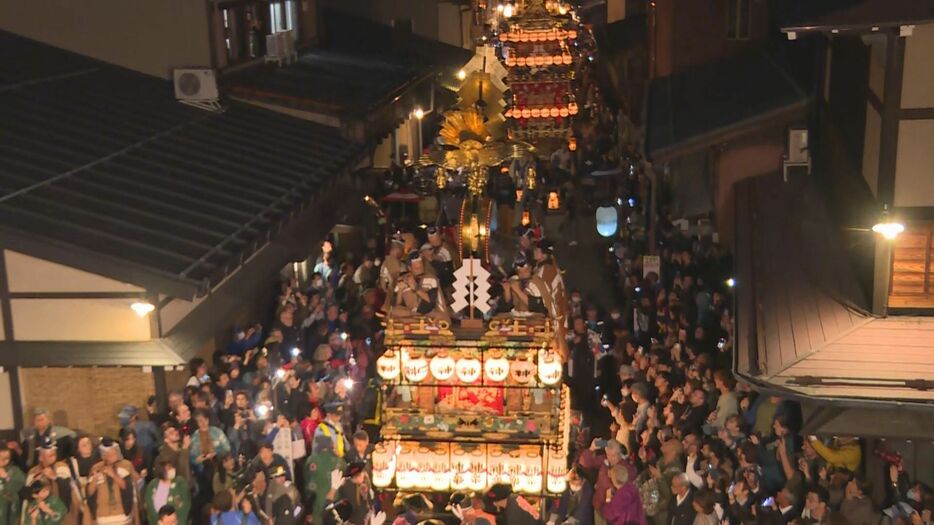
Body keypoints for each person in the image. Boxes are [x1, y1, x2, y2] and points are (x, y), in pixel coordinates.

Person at [24, 438, 80, 525]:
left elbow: (69, 489)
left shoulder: (62, 467)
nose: (53, 457)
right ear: (41, 457)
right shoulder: (33, 472)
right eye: (49, 455)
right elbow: (27, 496)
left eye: (54, 454)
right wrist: (37, 484)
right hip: (40, 515)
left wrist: (55, 478)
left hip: (62, 513)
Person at [86, 438, 139, 525]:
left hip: (122, 517)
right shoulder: (96, 468)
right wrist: (94, 480)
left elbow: (128, 487)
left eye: (114, 453)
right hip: (103, 518)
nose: (113, 456)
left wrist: (113, 475)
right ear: (104, 456)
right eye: (110, 454)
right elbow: (89, 493)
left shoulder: (125, 465)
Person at [143, 460, 190, 525]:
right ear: (162, 471)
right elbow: (149, 508)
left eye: (172, 467)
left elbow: (185, 506)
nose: (173, 470)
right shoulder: (152, 486)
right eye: (169, 468)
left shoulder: (180, 483)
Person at [0, 445, 25, 525]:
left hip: (10, 506)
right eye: (0, 457)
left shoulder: (14, 470)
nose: (3, 461)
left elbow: (20, 482)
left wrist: (7, 477)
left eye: (6, 458)